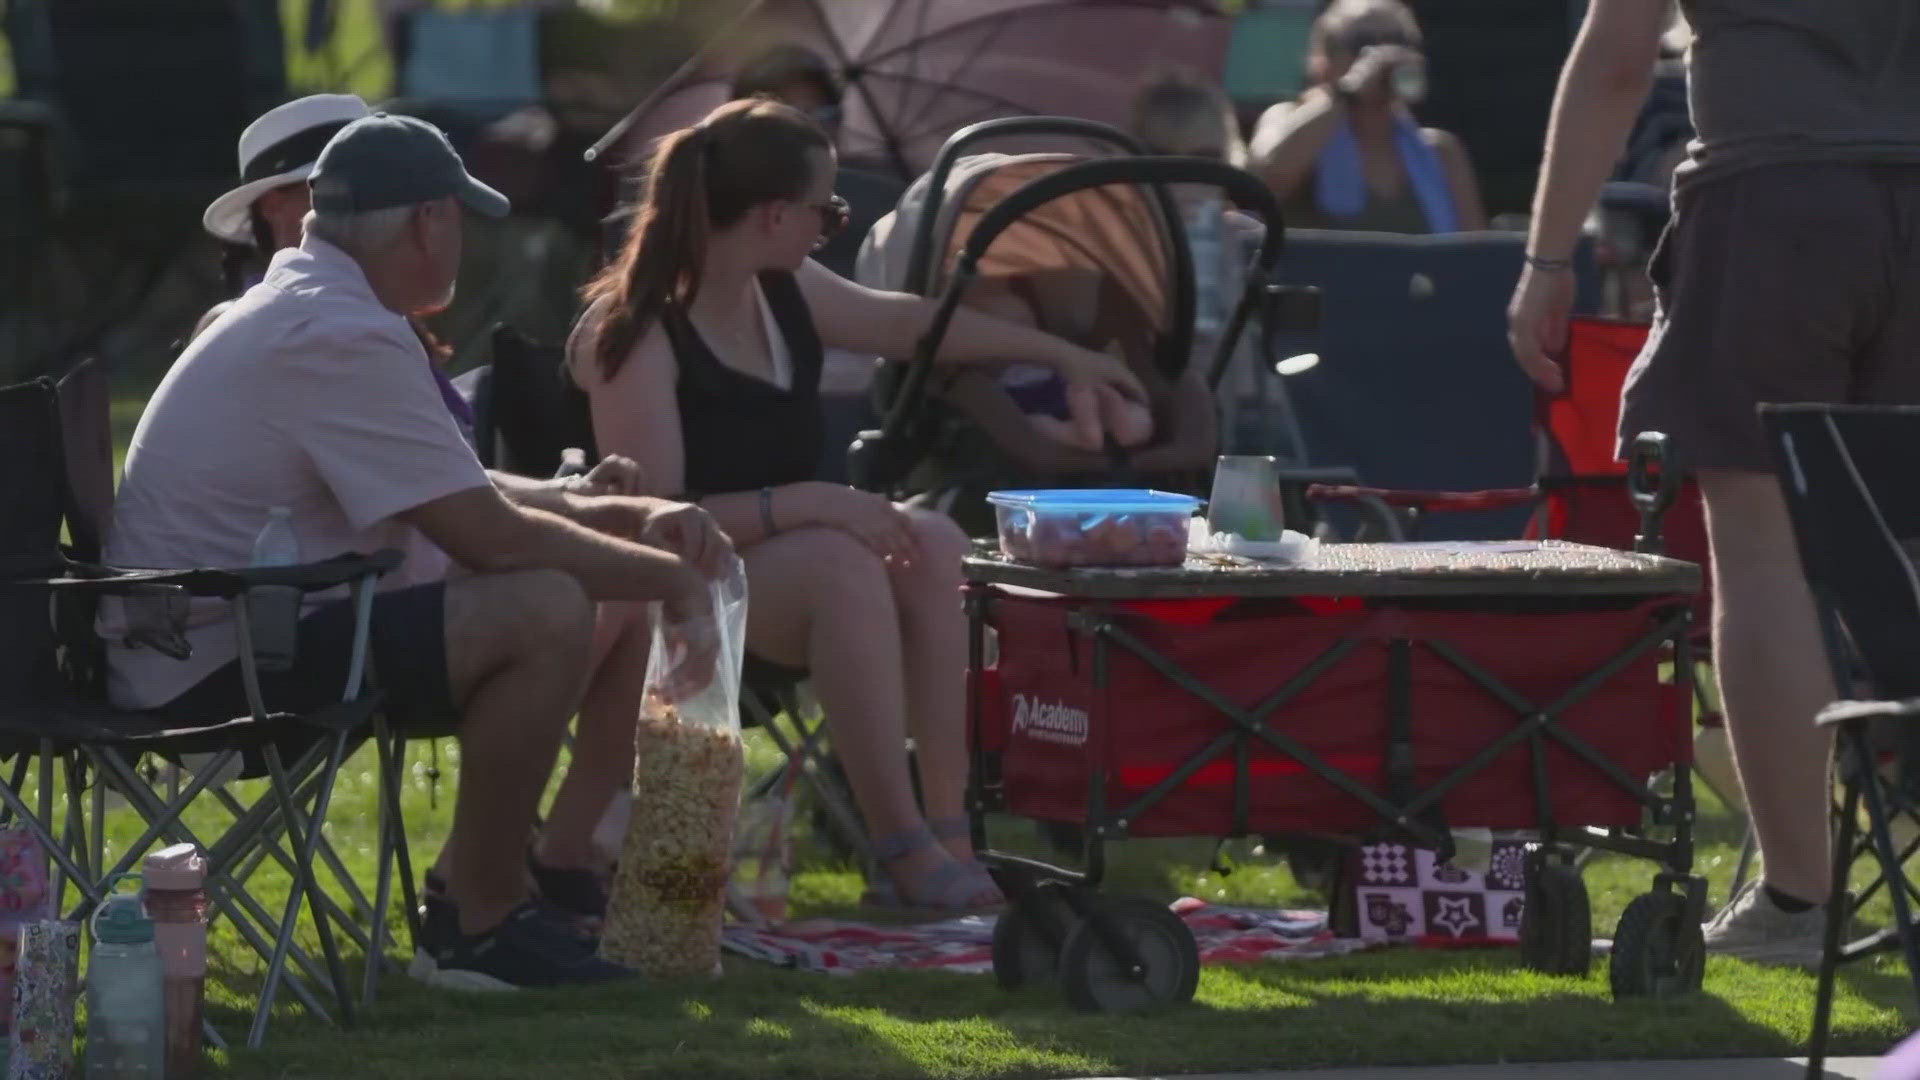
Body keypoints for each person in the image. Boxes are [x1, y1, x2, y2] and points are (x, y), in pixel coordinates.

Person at [106, 112, 733, 990]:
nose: (463, 243)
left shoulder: (314, 305)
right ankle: (476, 924)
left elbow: (455, 491)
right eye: (461, 221)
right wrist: (669, 578)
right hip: (219, 670)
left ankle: (503, 894)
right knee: (545, 607)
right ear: (428, 221)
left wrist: (615, 514)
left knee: (558, 589)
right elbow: (484, 533)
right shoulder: (339, 332)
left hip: (228, 636)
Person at [569, 97, 1145, 911]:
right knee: (842, 564)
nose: (831, 226)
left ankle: (950, 833)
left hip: (772, 559)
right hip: (679, 588)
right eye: (827, 210)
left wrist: (1064, 355)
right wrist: (811, 501)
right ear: (773, 216)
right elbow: (657, 520)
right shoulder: (634, 331)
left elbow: (909, 326)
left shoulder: (785, 286)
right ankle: (901, 848)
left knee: (936, 539)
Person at [1507, 0, 1920, 966]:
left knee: (1763, 548)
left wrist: (1547, 257)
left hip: (1774, 198)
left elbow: (1616, 60)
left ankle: (1797, 901)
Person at [1247, 0, 1485, 233]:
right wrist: (1349, 90)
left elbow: (1474, 252)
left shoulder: (1440, 153)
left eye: (1398, 41)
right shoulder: (1287, 119)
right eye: (1364, 43)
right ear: (1325, 58)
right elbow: (1264, 182)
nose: (1385, 56)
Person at [963, 273, 1154, 452]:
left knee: (1138, 417)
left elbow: (1078, 370)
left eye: (1023, 326)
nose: (1016, 340)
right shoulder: (990, 375)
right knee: (1037, 425)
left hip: (1067, 389)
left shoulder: (1054, 353)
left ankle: (1114, 422)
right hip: (1026, 403)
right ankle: (1083, 435)